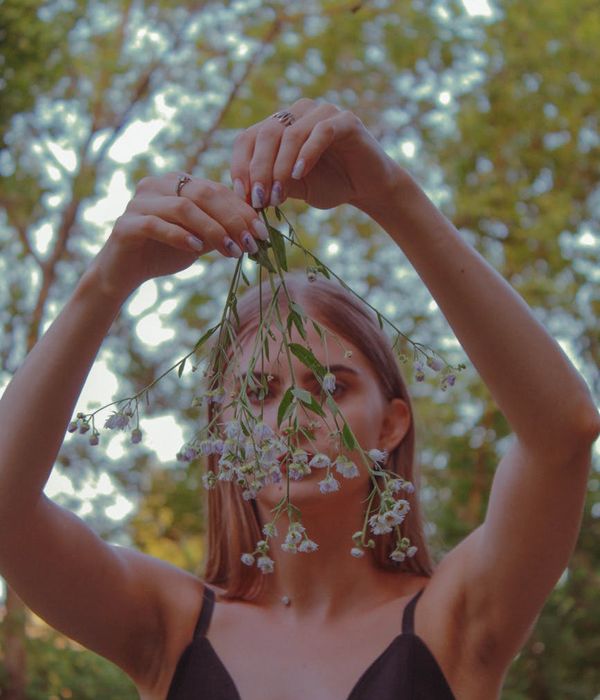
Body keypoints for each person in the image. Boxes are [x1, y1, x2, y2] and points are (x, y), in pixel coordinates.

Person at [0, 97, 598, 700]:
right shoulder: (168, 626)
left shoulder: (457, 620)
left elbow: (563, 435)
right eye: (260, 390)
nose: (297, 417)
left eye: (333, 385)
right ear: (223, 427)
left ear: (391, 425)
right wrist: (109, 278)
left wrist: (388, 192)